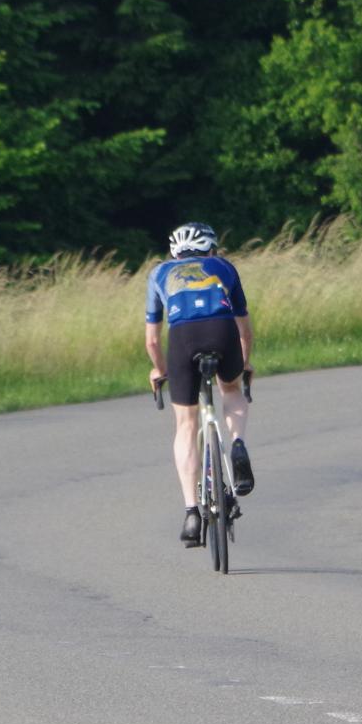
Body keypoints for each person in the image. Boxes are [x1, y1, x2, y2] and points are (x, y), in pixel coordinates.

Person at [144, 222, 254, 547]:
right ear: (211, 249)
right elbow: (244, 330)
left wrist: (159, 370)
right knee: (230, 390)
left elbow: (152, 341)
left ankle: (192, 513)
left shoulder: (159, 273)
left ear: (174, 252)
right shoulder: (224, 267)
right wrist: (244, 363)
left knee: (186, 424)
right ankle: (238, 444)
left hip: (182, 338)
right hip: (222, 331)